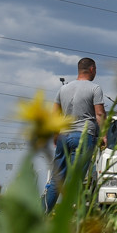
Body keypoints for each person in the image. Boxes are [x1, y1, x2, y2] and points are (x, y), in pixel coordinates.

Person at [43, 57, 106, 212]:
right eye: (95, 70)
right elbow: (99, 114)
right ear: (92, 69)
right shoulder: (95, 88)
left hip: (64, 136)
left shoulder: (63, 89)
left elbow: (55, 114)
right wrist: (104, 135)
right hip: (84, 136)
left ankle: (42, 214)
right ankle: (66, 217)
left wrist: (56, 135)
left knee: (56, 179)